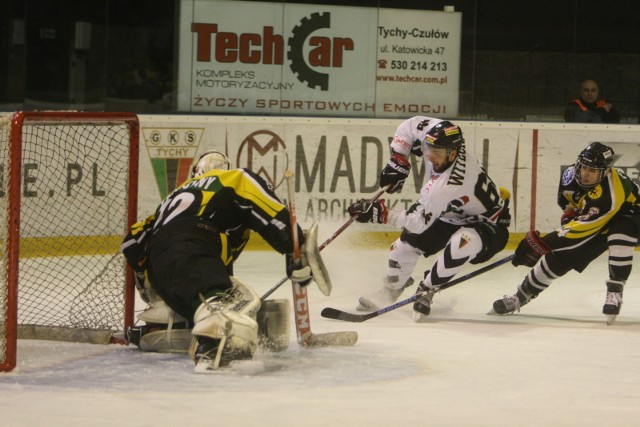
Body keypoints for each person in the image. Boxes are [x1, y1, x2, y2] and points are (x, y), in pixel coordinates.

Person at [121, 150, 321, 372]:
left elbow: (132, 242)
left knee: (206, 296)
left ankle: (162, 326)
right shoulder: (229, 178)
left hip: (161, 264)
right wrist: (293, 243)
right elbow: (256, 197)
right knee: (220, 305)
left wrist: (149, 287)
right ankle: (216, 342)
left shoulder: (170, 199)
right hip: (192, 245)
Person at [347, 117, 511, 321]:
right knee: (402, 247)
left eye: (437, 153)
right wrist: (399, 160)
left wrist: (380, 213)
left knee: (463, 241)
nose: (430, 157)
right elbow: (410, 125)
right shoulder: (442, 144)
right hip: (451, 215)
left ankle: (427, 289)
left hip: (489, 225)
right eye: (428, 149)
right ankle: (391, 289)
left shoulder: (450, 184)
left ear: (453, 153)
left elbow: (417, 223)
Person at [491, 142, 640, 323]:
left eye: (592, 171)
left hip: (632, 213)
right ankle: (520, 296)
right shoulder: (569, 176)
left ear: (606, 172)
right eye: (584, 167)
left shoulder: (609, 194)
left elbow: (582, 229)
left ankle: (615, 290)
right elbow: (570, 208)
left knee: (621, 233)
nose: (585, 174)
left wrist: (543, 243)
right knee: (560, 257)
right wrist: (565, 223)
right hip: (598, 217)